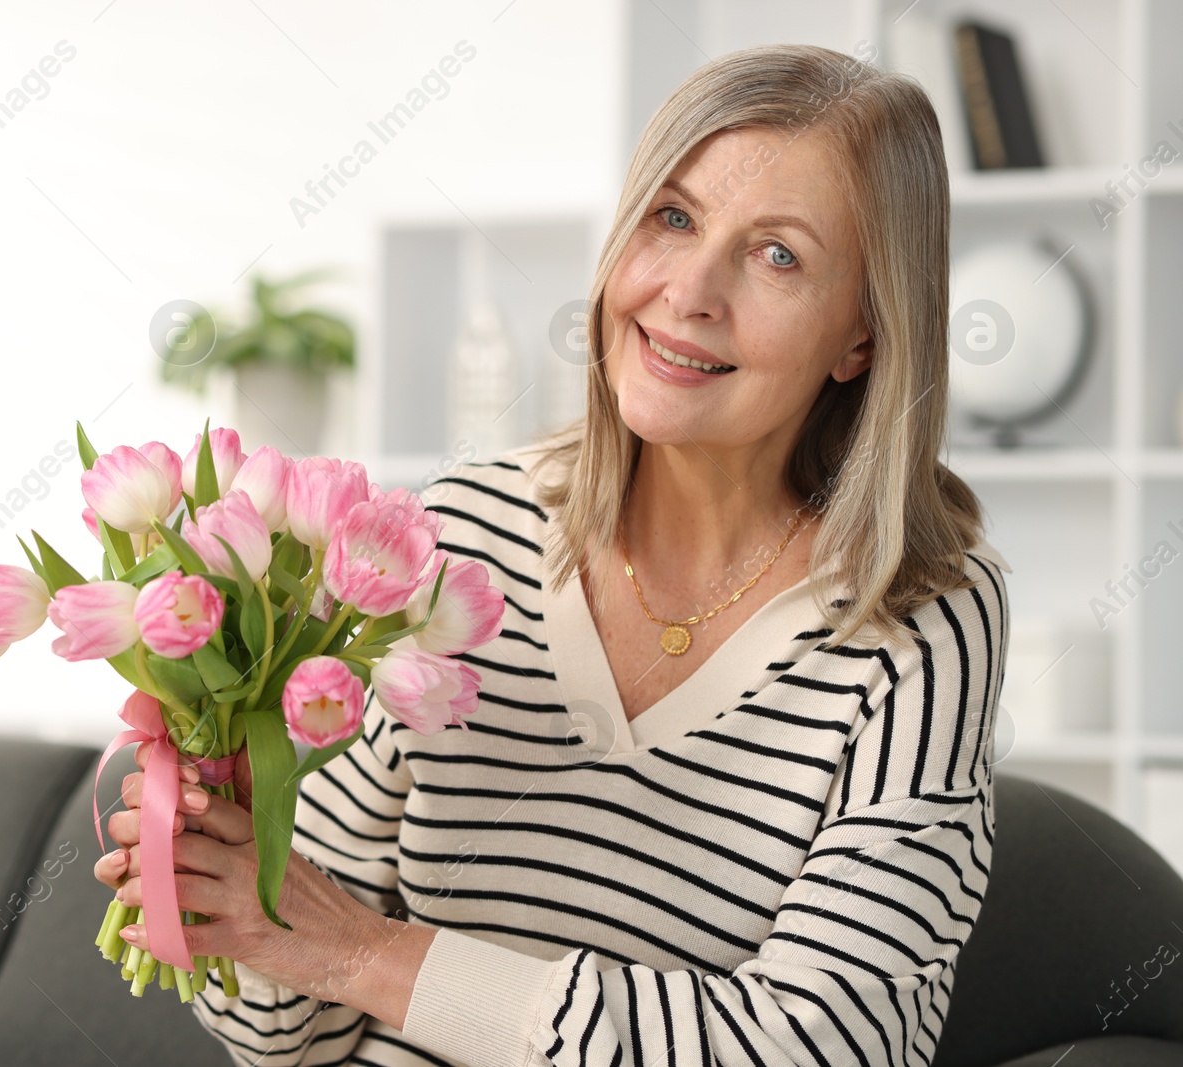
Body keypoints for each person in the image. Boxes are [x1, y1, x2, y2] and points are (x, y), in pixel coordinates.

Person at [95, 41, 1011, 1066]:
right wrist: (231, 885)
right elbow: (287, 1035)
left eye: (777, 255)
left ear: (863, 335)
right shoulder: (458, 535)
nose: (688, 291)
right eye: (673, 218)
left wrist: (364, 953)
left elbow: (830, 1046)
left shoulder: (919, 616)